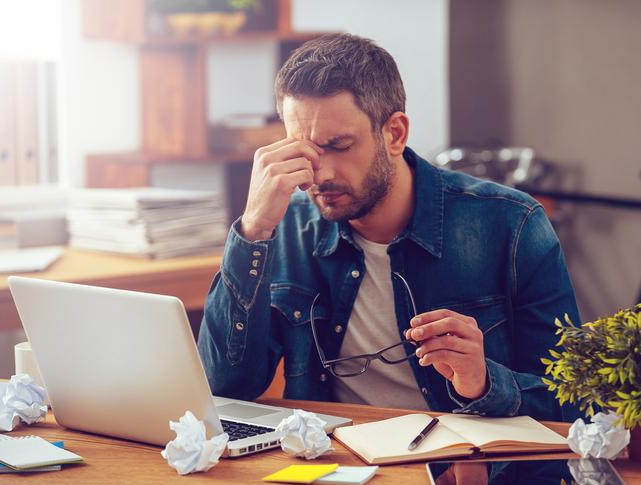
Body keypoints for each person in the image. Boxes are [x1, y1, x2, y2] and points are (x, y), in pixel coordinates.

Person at [198, 33, 580, 421]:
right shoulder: (286, 224)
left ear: (394, 134)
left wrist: (483, 382)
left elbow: (574, 404)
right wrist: (253, 230)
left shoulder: (512, 224)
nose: (321, 173)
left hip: (465, 469)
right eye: (305, 149)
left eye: (340, 145)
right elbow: (225, 389)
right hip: (333, 464)